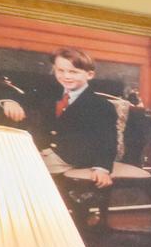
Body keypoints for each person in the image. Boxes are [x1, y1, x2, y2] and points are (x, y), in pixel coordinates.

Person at [40, 47, 122, 188]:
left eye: (73, 72)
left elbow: (108, 141)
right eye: (60, 71)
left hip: (70, 157)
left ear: (89, 75)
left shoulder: (101, 106)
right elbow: (27, 99)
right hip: (43, 150)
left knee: (23, 171)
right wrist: (11, 102)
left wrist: (102, 168)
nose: (66, 76)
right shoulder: (50, 92)